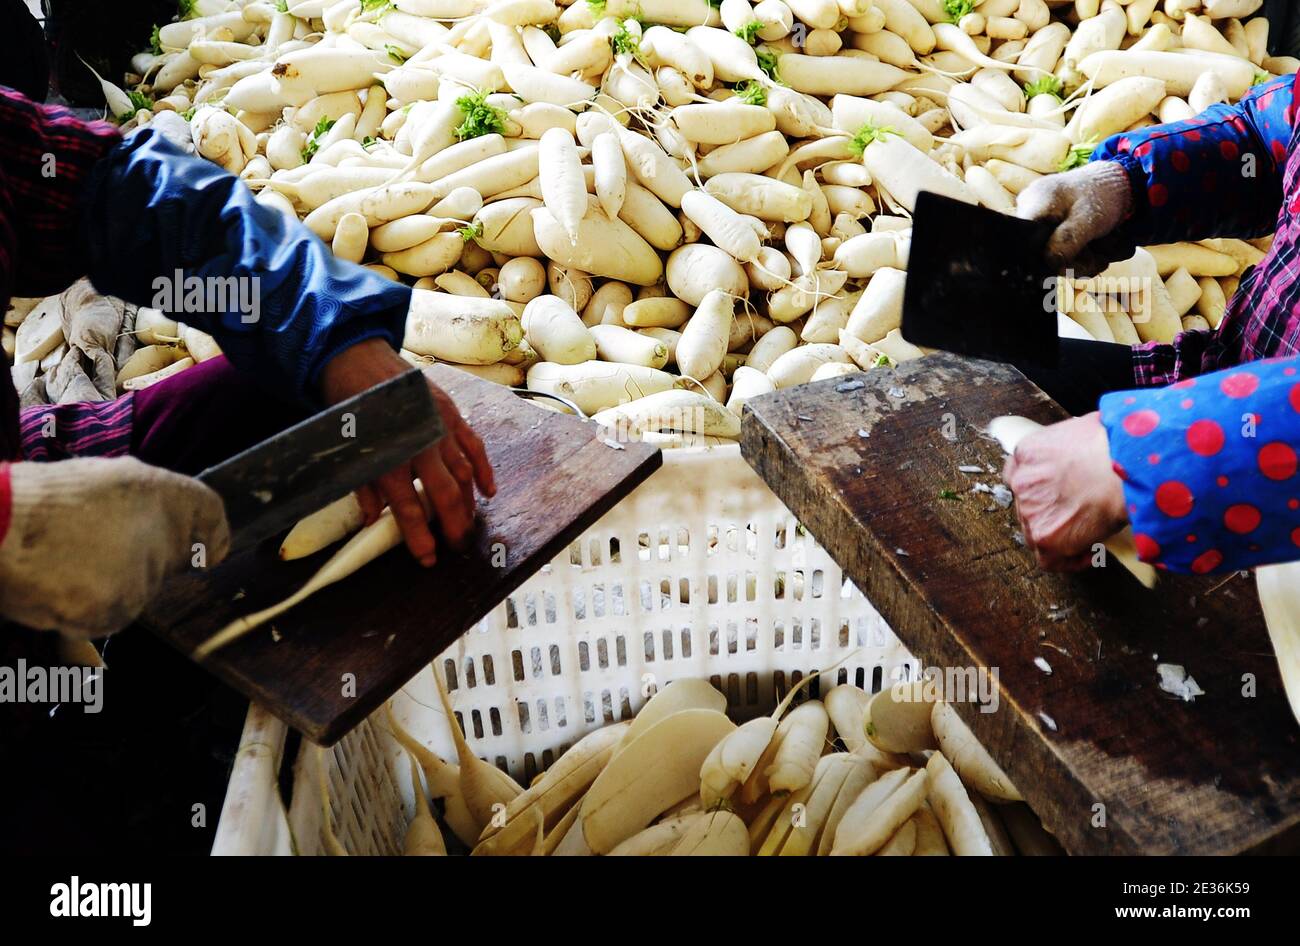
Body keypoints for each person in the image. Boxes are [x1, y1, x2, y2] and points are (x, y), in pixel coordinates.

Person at [0, 87, 495, 639]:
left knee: (285, 391)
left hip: (30, 466)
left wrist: (329, 332)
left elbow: (132, 194)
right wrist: (10, 519)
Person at [1005, 70, 1300, 578]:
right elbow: (1267, 138)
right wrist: (1122, 188)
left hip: (1259, 472)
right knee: (989, 385)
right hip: (1214, 384)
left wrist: (1150, 451)